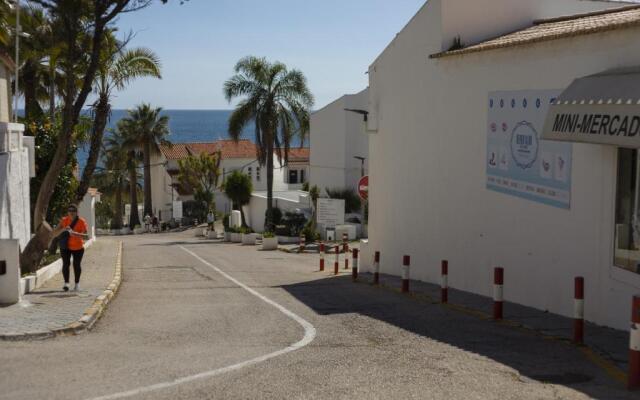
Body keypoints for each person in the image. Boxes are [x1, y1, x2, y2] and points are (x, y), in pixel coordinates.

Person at [52, 204, 89, 292]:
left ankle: (77, 284)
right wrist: (64, 229)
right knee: (66, 264)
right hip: (65, 247)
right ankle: (66, 283)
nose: (71, 212)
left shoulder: (81, 221)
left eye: (73, 211)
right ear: (67, 212)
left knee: (76, 265)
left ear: (77, 212)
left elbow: (87, 236)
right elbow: (54, 233)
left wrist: (76, 234)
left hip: (78, 247)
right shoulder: (64, 220)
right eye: (70, 211)